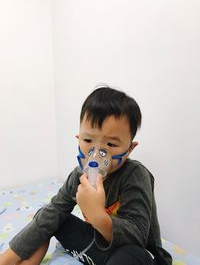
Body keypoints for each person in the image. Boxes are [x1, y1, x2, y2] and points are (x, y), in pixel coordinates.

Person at [0, 86, 168, 265]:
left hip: (134, 253)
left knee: (132, 256)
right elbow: (54, 212)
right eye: (88, 140)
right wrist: (7, 258)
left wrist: (97, 215)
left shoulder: (135, 175)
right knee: (48, 218)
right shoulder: (79, 176)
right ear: (79, 138)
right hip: (96, 248)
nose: (97, 153)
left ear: (130, 149)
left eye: (111, 144)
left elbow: (138, 236)